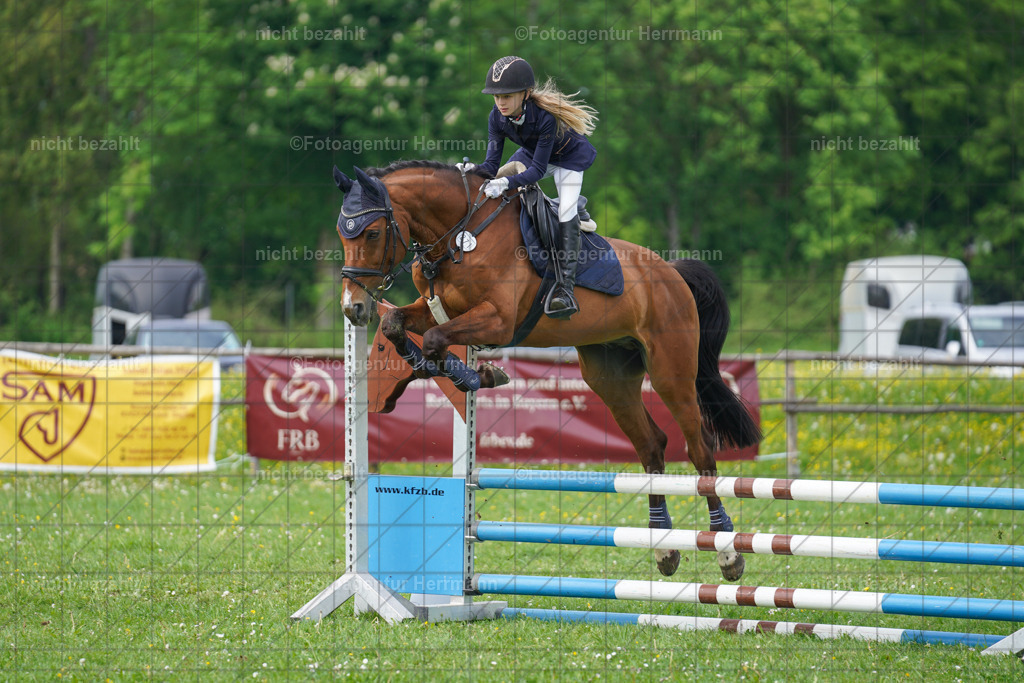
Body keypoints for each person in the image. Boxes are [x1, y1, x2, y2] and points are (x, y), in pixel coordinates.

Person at [460, 56, 598, 319]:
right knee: (497, 184)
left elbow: (536, 171)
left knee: (565, 210)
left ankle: (565, 289)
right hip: (534, 154)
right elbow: (491, 165)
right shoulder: (496, 118)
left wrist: (505, 182)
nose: (500, 103)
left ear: (525, 94)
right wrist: (471, 172)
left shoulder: (545, 118)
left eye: (507, 96)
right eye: (496, 96)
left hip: (567, 159)